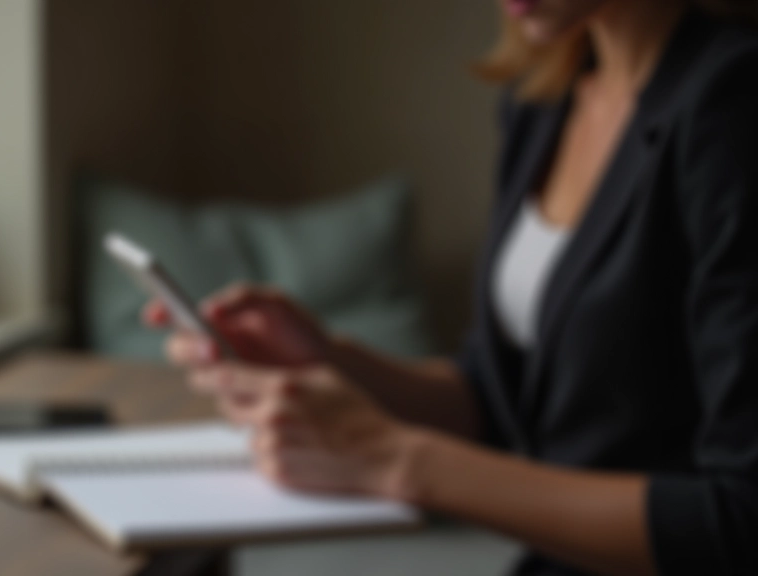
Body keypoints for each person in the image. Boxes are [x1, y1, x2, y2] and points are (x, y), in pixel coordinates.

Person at [144, 1, 758, 574]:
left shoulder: (731, 103)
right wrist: (328, 360)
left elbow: (738, 515)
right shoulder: (548, 100)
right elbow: (499, 397)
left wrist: (398, 461)